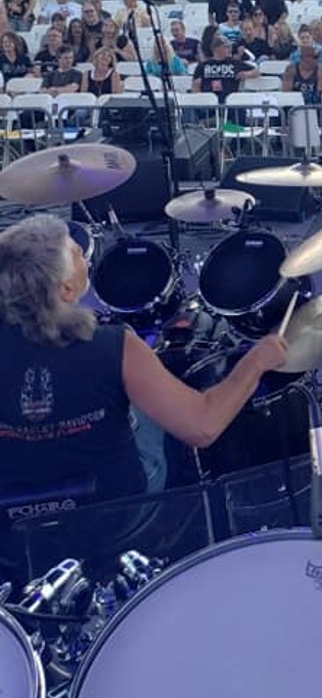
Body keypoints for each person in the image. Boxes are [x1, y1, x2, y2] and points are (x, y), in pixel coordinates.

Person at [0, 215, 288, 532]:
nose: (85, 256)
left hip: (14, 521)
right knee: (163, 421)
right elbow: (203, 427)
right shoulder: (114, 345)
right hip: (113, 513)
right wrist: (257, 360)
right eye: (77, 253)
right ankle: (186, 506)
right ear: (67, 289)